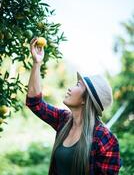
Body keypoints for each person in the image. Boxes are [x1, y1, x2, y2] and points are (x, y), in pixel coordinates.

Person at [26, 38, 121, 175]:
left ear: (85, 99)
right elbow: (35, 103)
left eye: (77, 85)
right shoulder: (64, 120)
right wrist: (37, 63)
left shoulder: (105, 138)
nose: (70, 88)